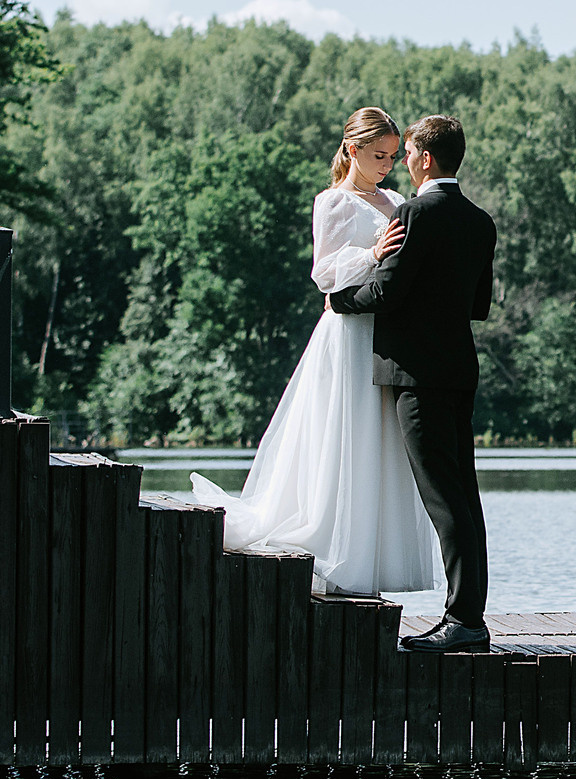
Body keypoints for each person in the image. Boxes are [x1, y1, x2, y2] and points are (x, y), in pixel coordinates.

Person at [188, 108, 439, 597]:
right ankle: (333, 550)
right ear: (352, 150)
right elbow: (323, 274)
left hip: (386, 332)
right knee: (343, 434)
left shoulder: (393, 200)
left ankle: (371, 559)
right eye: (377, 155)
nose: (387, 164)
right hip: (348, 333)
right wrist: (372, 254)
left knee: (380, 441)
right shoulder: (333, 203)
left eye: (392, 156)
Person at [333, 113, 498, 652]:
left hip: (417, 376)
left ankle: (464, 622)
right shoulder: (480, 221)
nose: (401, 160)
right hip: (458, 370)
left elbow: (386, 293)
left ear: (426, 159)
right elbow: (477, 306)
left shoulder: (415, 213)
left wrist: (340, 300)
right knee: (463, 495)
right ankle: (468, 615)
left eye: (406, 153)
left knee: (442, 498)